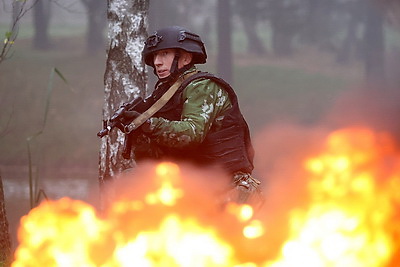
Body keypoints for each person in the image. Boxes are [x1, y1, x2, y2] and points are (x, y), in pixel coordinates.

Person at [121, 26, 261, 204]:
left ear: (185, 57)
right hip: (191, 185)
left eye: (164, 54)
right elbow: (151, 157)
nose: (157, 62)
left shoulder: (202, 86)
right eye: (155, 56)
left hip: (226, 189)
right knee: (131, 179)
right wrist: (136, 129)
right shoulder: (164, 93)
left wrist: (148, 124)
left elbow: (191, 133)